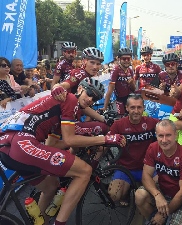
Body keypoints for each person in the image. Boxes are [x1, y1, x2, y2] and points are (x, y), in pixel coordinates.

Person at [0, 78, 126, 225]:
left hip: (9, 145)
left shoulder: (61, 108)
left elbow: (53, 144)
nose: (91, 99)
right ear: (79, 89)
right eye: (89, 93)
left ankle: (41, 222)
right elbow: (70, 140)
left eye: (95, 98)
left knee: (51, 186)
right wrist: (105, 139)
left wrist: (80, 146)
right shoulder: (71, 99)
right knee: (85, 171)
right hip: (21, 143)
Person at [135, 119, 182, 225]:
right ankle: (155, 220)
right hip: (162, 191)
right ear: (156, 136)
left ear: (176, 135)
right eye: (160, 136)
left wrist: (163, 215)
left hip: (181, 199)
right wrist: (157, 195)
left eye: (168, 135)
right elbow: (146, 176)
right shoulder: (153, 147)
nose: (164, 140)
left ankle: (161, 217)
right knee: (140, 195)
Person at [107, 94, 159, 204]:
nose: (136, 111)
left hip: (146, 168)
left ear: (143, 108)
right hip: (125, 168)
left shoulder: (152, 122)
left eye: (139, 107)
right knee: (114, 196)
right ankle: (127, 191)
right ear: (126, 108)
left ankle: (140, 187)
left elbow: (171, 126)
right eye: (132, 107)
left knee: (158, 190)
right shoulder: (118, 125)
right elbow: (106, 142)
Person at [51, 47, 106, 123]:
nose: (95, 67)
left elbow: (84, 107)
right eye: (92, 62)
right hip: (62, 114)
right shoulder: (80, 74)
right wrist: (56, 87)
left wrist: (102, 119)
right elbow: (64, 85)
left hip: (71, 111)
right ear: (84, 61)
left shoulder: (87, 75)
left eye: (98, 64)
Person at [103, 47, 136, 112]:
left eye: (128, 59)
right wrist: (105, 107)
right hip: (119, 100)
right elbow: (110, 90)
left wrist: (131, 83)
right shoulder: (116, 70)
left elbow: (134, 89)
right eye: (124, 59)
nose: (126, 60)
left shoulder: (130, 71)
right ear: (119, 59)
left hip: (130, 100)